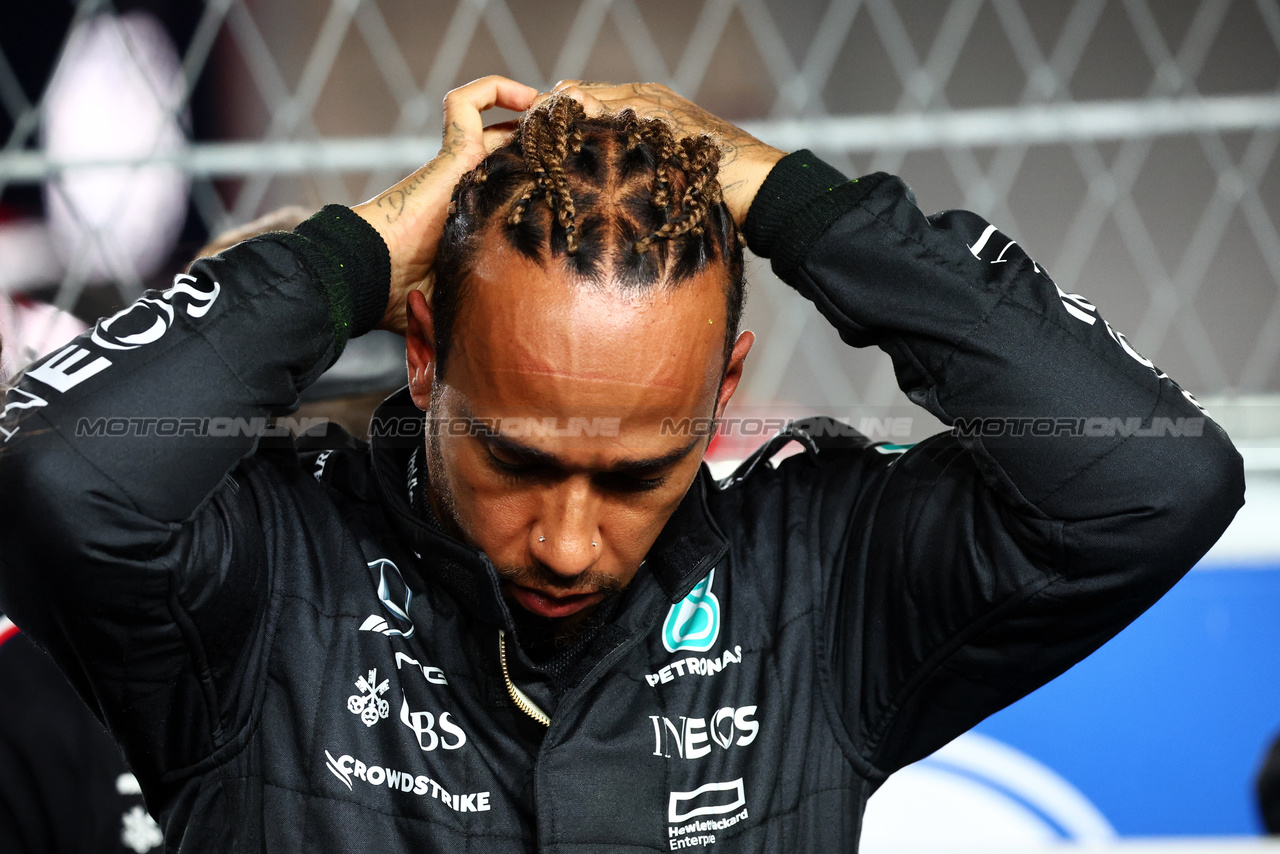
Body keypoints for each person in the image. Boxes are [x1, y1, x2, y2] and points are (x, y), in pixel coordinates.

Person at [0, 75, 1243, 852]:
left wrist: (785, 197)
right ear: (422, 353)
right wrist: (360, 250)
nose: (566, 540)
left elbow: (1154, 479)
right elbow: (55, 476)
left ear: (724, 391)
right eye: (517, 458)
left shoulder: (816, 583)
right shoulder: (264, 576)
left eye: (638, 473)